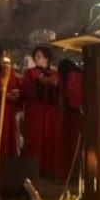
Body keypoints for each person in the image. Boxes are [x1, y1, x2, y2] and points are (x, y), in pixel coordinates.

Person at [23, 46, 62, 177]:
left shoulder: (54, 73)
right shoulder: (30, 73)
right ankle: (34, 168)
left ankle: (50, 168)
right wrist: (38, 83)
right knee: (36, 138)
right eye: (35, 56)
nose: (36, 58)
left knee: (50, 137)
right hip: (36, 110)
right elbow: (26, 90)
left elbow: (59, 93)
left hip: (50, 111)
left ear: (47, 58)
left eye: (39, 56)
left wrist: (54, 85)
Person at [57, 58, 83, 182]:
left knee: (72, 144)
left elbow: (72, 95)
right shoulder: (77, 74)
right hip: (75, 112)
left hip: (73, 114)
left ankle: (72, 173)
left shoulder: (72, 75)